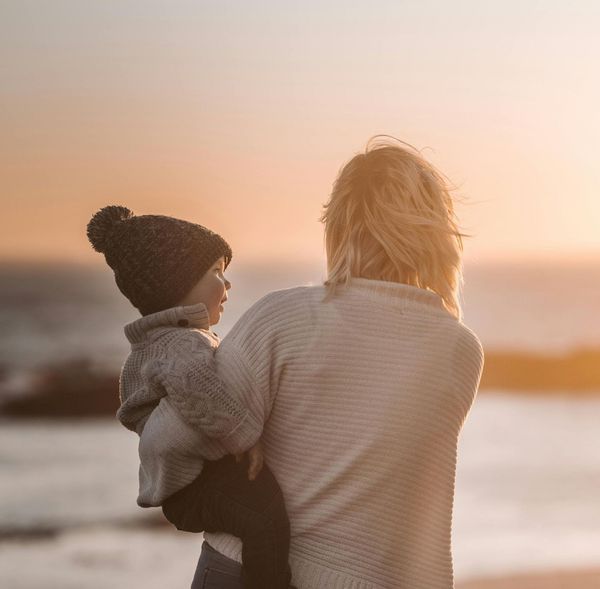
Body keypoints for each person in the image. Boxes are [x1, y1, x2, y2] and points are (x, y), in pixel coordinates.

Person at [159, 136, 485, 588]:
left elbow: (181, 437)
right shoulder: (458, 350)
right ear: (435, 233)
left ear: (338, 225)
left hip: (242, 569)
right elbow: (420, 507)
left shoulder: (282, 316)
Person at [86, 205, 292, 589]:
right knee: (264, 515)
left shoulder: (159, 341)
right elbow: (207, 397)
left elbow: (136, 409)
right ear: (175, 284)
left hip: (186, 486)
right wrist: (247, 440)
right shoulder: (181, 345)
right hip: (192, 490)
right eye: (215, 271)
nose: (227, 284)